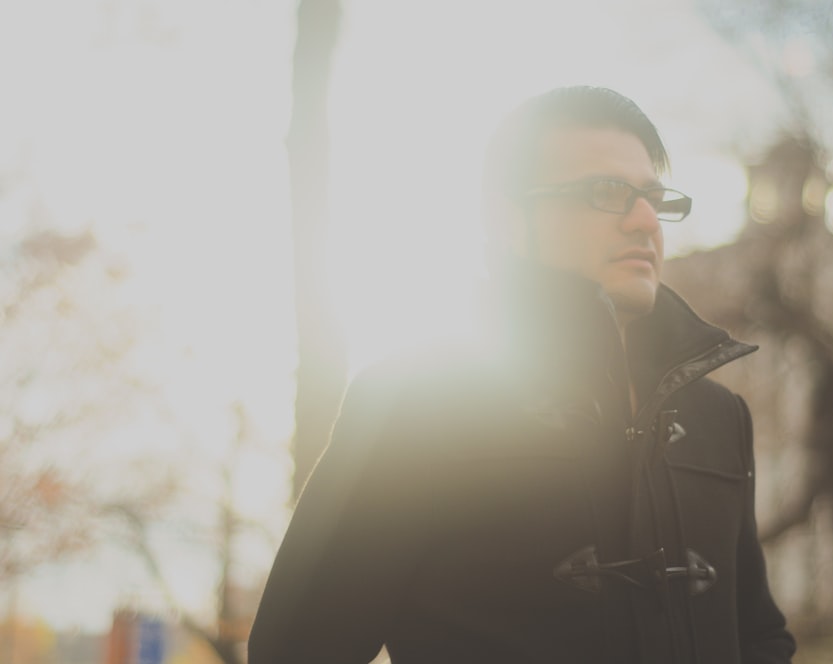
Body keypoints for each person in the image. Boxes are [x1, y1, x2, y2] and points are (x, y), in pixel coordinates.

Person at [249, 86, 796, 663]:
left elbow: (759, 634)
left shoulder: (719, 417)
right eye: (606, 192)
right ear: (508, 219)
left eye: (653, 199)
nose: (643, 220)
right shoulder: (412, 401)